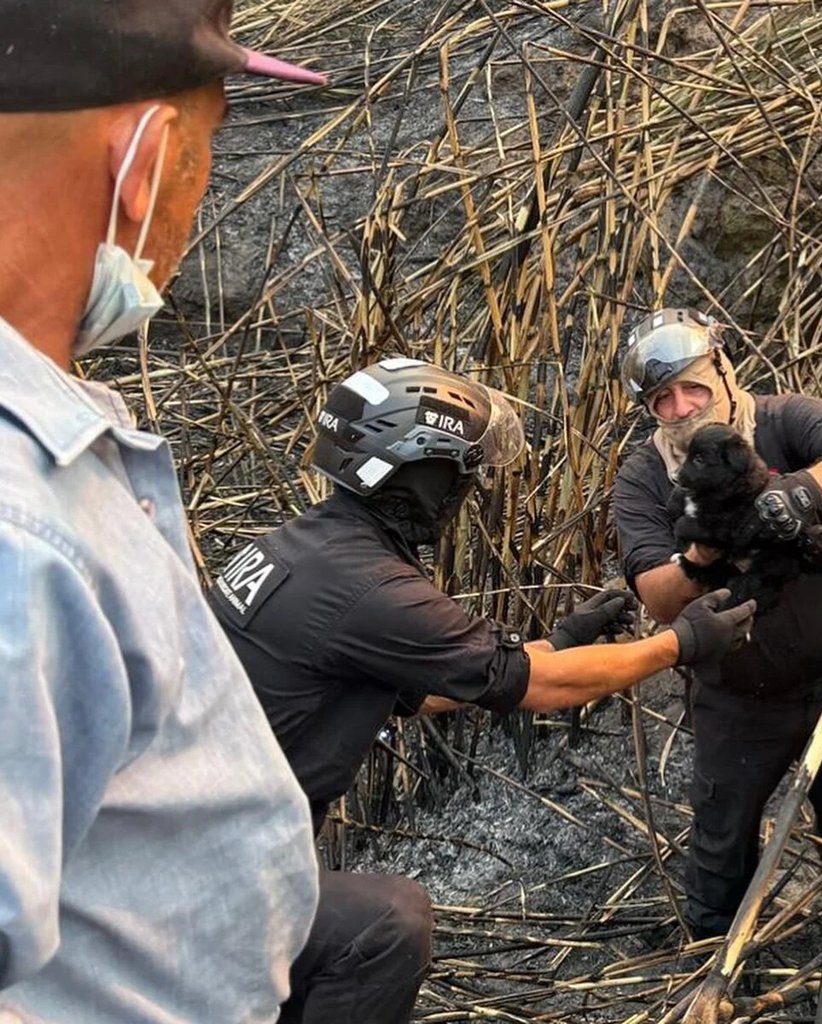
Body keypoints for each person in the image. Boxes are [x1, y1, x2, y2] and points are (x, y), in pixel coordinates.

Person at [209, 357, 757, 1023]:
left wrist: (559, 641)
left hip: (203, 845)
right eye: (460, 471)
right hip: (213, 880)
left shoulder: (307, 549)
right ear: (419, 473)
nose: (468, 486)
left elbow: (439, 683)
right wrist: (681, 644)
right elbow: (536, 690)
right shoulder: (371, 591)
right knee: (387, 924)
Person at [0, 3, 330, 1021]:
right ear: (148, 156)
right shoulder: (20, 528)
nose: (195, 197)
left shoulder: (60, 444)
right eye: (209, 145)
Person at [612, 307, 822, 938]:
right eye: (663, 399)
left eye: (694, 386)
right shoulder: (643, 476)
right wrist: (705, 550)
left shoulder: (781, 419)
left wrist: (800, 491)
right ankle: (713, 954)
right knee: (721, 842)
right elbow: (658, 598)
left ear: (724, 371)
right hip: (735, 697)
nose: (683, 407)